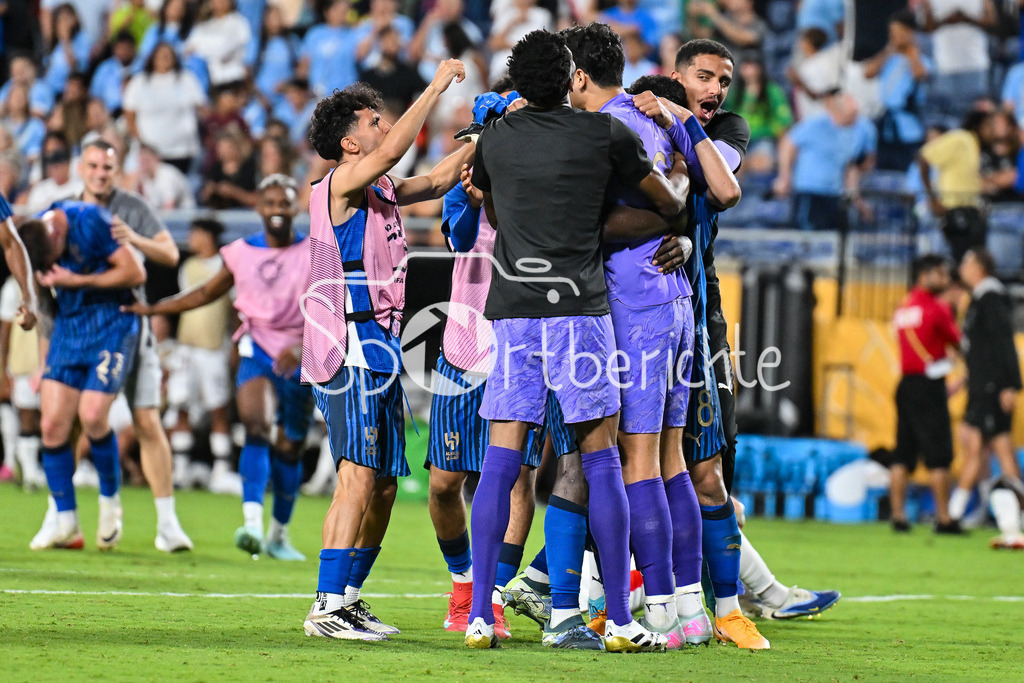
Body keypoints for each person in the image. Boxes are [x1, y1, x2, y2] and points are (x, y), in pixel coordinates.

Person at [464, 29, 684, 652]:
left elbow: (496, 211)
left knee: (502, 461)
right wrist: (672, 179)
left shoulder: (495, 139)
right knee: (601, 456)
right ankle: (618, 620)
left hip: (512, 310)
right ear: (570, 78)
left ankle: (481, 614)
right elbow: (666, 204)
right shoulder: (603, 133)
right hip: (578, 310)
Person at [300, 59, 476, 641]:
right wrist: (435, 87)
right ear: (350, 141)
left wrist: (485, 142)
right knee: (355, 475)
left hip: (378, 348)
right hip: (347, 344)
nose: (385, 125)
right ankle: (326, 606)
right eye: (375, 120)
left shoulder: (375, 188)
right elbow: (398, 154)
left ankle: (346, 596)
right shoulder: (338, 184)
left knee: (382, 484)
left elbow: (435, 183)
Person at [560, 22, 701, 649]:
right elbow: (682, 188)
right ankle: (692, 611)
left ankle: (663, 612)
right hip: (678, 305)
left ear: (579, 77)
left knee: (631, 459)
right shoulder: (655, 120)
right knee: (672, 457)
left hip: (634, 305)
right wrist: (675, 213)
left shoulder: (601, 130)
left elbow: (592, 222)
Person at [126, 175, 313, 560]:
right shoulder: (240, 252)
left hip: (303, 353)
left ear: (295, 208)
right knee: (257, 427)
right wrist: (155, 308)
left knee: (291, 446)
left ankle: (279, 534)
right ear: (258, 208)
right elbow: (205, 293)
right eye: (270, 203)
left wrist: (302, 344)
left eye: (285, 203)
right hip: (257, 348)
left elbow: (331, 306)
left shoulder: (316, 251)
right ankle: (251, 523)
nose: (277, 210)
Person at [428, 82, 538, 641]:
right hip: (465, 349)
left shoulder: (539, 184)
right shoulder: (462, 186)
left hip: (520, 350)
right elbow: (459, 239)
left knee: (520, 479)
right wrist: (473, 200)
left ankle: (490, 595)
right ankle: (463, 580)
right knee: (447, 483)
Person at [72, 138, 193, 553]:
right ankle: (67, 516)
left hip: (129, 323)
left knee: (147, 420)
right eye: (93, 166)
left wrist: (133, 239)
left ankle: (168, 523)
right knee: (75, 420)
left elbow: (170, 253)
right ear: (81, 167)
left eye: (107, 167)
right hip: (83, 325)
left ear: (116, 169)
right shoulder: (67, 209)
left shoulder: (132, 207)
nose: (100, 173)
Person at [19, 200, 143, 551]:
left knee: (91, 415)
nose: (53, 266)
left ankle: (109, 504)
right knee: (52, 425)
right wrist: (44, 357)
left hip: (112, 322)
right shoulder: (35, 242)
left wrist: (78, 279)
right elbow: (45, 301)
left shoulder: (90, 221)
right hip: (68, 330)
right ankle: (66, 522)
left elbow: (136, 273)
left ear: (57, 234)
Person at [949, 248, 1024, 526]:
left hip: (993, 387)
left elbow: (1004, 344)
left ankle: (957, 512)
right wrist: (966, 378)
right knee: (977, 443)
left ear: (980, 267)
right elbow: (982, 350)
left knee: (999, 447)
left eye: (967, 262)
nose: (962, 267)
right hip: (982, 385)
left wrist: (1009, 385)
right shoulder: (979, 299)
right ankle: (976, 509)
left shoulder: (991, 298)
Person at [890, 254, 963, 533]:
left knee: (902, 451)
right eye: (941, 274)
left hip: (906, 384)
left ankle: (898, 516)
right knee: (939, 452)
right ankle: (944, 518)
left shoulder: (903, 306)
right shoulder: (937, 308)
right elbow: (955, 341)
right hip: (929, 386)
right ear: (926, 274)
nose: (945, 280)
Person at [163, 218, 234, 492]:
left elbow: (235, 308)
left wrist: (235, 346)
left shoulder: (226, 265)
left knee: (218, 409)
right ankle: (180, 470)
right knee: (180, 406)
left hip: (213, 348)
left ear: (208, 236)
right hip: (185, 347)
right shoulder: (188, 267)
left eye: (196, 233)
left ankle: (221, 470)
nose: (191, 238)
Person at [773, 92, 877, 231]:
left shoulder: (856, 131)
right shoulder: (817, 124)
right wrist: (784, 176)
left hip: (835, 194)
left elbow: (851, 167)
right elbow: (788, 144)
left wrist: (857, 200)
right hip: (810, 191)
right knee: (808, 234)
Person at [862, 10, 932, 172]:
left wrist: (912, 51)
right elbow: (868, 73)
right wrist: (888, 50)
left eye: (899, 33)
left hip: (909, 129)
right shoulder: (889, 59)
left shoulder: (922, 60)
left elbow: (920, 74)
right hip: (885, 127)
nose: (895, 37)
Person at [123, 41, 208, 174]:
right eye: (162, 55)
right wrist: (141, 141)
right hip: (151, 151)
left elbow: (202, 107)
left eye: (169, 55)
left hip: (182, 150)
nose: (165, 58)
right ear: (153, 58)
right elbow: (129, 115)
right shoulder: (139, 82)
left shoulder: (186, 79)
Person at [917, 111, 988, 264]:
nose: (991, 131)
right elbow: (924, 156)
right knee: (955, 260)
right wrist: (933, 198)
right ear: (978, 125)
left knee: (968, 261)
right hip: (951, 208)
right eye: (989, 126)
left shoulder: (976, 145)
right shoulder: (960, 138)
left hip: (970, 209)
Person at [184, 0, 252, 88]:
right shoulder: (203, 25)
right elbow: (188, 49)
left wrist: (202, 50)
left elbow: (224, 49)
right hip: (205, 75)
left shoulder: (238, 22)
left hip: (229, 77)